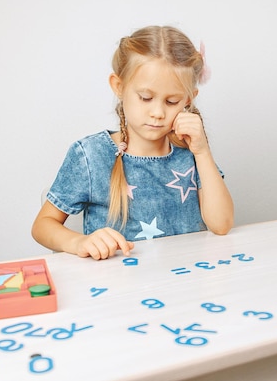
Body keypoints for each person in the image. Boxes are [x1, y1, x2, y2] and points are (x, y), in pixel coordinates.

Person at [32, 25, 234, 260]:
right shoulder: (91, 155)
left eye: (171, 101)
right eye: (146, 98)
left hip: (185, 283)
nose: (157, 112)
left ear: (188, 100)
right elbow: (42, 226)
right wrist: (79, 242)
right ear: (119, 87)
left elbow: (222, 225)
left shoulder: (189, 153)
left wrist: (202, 152)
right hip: (119, 289)